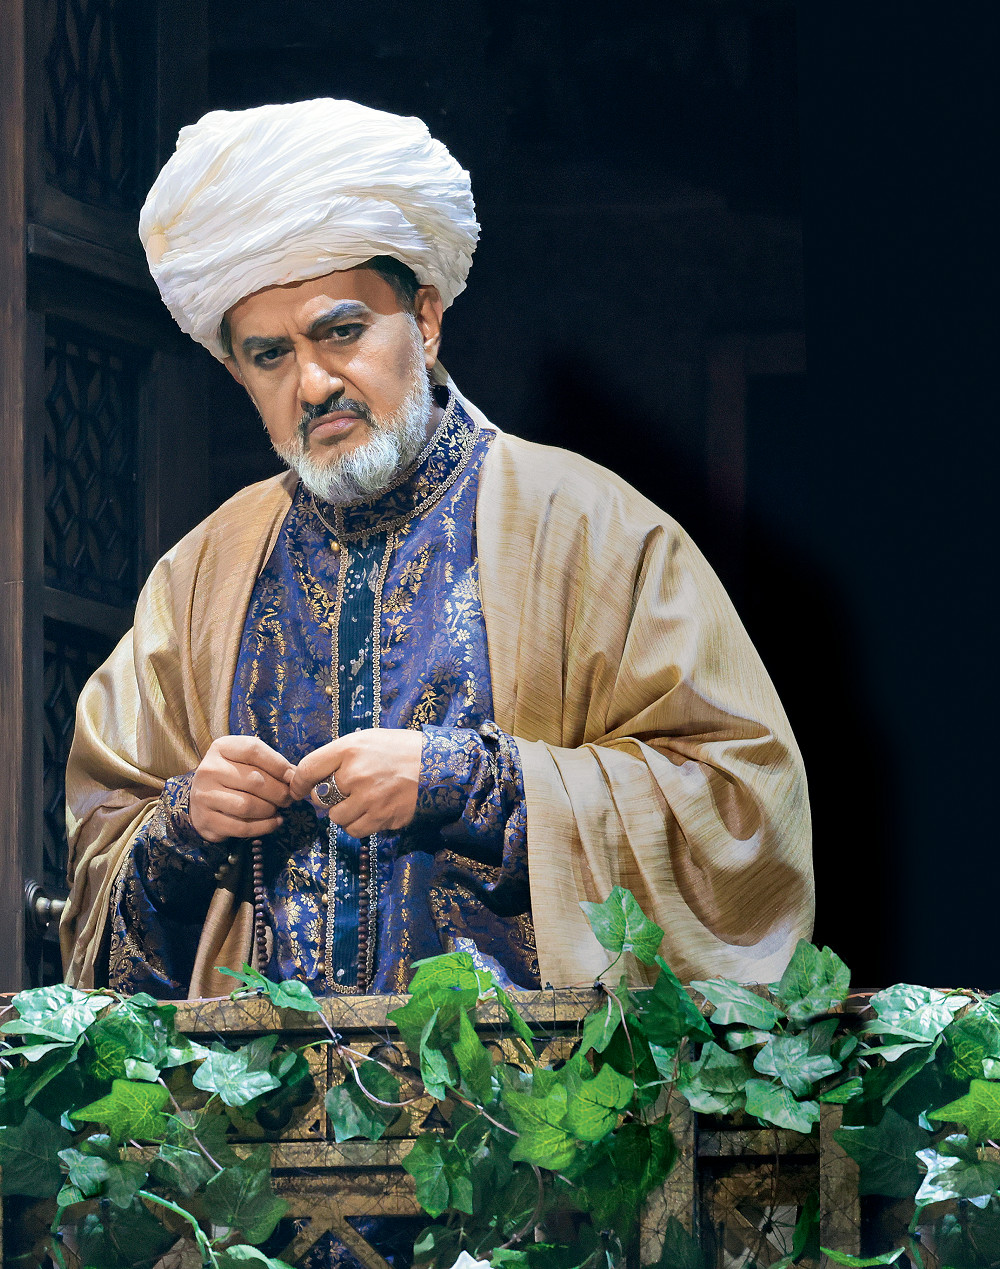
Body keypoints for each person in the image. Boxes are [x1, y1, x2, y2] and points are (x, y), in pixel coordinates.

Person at [61, 98, 813, 1001]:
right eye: (269, 356)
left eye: (342, 332)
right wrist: (185, 823)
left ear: (424, 319)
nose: (313, 382)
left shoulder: (591, 529)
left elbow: (741, 811)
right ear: (236, 372)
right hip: (254, 1092)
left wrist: (463, 778)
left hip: (530, 1088)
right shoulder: (199, 579)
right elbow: (100, 867)